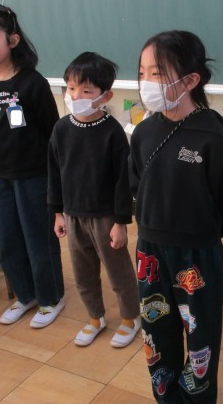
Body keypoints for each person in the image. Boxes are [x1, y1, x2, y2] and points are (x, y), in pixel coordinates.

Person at [129, 30, 223, 402]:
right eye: (142, 73)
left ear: (191, 80)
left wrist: (198, 234)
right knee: (156, 331)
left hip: (197, 254)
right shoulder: (144, 131)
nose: (147, 83)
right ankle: (166, 396)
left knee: (201, 336)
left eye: (157, 73)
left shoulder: (212, 137)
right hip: (150, 250)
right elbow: (136, 183)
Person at [0, 4, 65, 329]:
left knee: (39, 239)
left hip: (34, 175)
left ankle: (51, 297)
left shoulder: (33, 84)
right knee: (8, 241)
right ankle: (25, 295)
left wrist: (55, 181)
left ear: (12, 40)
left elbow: (51, 133)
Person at [48, 52, 141, 348]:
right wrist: (58, 213)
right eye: (71, 88)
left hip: (105, 217)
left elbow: (122, 181)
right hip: (73, 215)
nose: (76, 96)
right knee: (82, 272)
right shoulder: (61, 129)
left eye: (86, 90)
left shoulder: (112, 132)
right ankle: (95, 317)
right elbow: (54, 173)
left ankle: (130, 318)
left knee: (118, 271)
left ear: (105, 95)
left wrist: (120, 222)